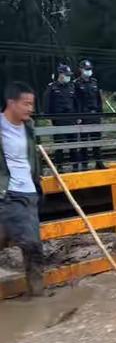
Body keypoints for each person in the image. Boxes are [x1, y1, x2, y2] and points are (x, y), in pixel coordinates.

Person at [0, 82, 44, 296]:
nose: (30, 108)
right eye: (26, 104)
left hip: (29, 192)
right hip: (8, 193)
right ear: (11, 103)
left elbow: (31, 158)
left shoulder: (29, 127)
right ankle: (37, 295)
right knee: (29, 242)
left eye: (32, 104)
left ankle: (37, 295)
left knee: (33, 245)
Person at [44, 64, 79, 172]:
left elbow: (76, 103)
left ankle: (75, 166)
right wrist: (49, 118)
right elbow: (47, 103)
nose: (68, 77)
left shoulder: (72, 86)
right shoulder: (52, 87)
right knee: (59, 145)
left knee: (73, 145)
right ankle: (59, 167)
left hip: (71, 119)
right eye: (66, 75)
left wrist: (78, 117)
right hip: (59, 120)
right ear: (61, 75)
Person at [74, 59, 105, 170]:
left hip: (95, 114)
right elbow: (76, 101)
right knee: (84, 141)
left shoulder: (94, 82)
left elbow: (98, 99)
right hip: (84, 115)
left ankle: (99, 162)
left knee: (96, 140)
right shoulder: (77, 84)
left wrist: (100, 112)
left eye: (89, 69)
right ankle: (84, 164)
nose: (88, 71)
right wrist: (78, 116)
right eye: (86, 69)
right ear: (81, 70)